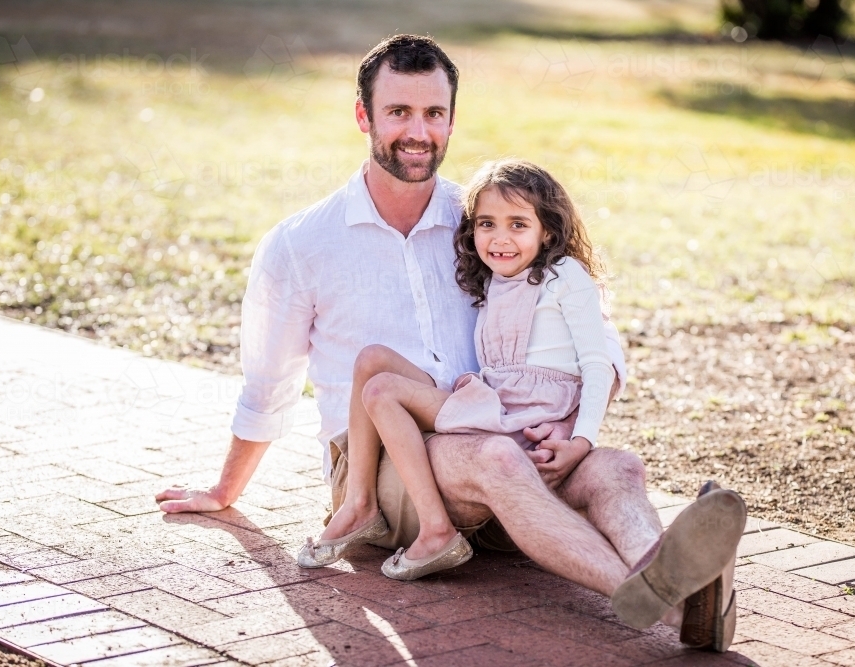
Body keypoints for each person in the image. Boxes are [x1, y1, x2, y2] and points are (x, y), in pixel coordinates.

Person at [155, 34, 746, 652]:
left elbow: (594, 337)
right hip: (386, 463)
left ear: (452, 121)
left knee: (615, 467)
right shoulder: (301, 244)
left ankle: (690, 590)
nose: (418, 131)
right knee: (491, 458)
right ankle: (668, 609)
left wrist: (572, 428)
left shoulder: (488, 221)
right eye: (399, 112)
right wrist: (225, 492)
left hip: (502, 431)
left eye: (433, 114)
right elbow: (268, 385)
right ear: (364, 116)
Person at [296, 159, 616, 581]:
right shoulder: (497, 279)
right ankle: (359, 504)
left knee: (380, 392)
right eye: (487, 224)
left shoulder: (561, 277)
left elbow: (599, 359)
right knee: (371, 359)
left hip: (511, 418)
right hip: (490, 401)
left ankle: (435, 530)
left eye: (517, 224)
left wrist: (580, 435)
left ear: (548, 231)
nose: (500, 238)